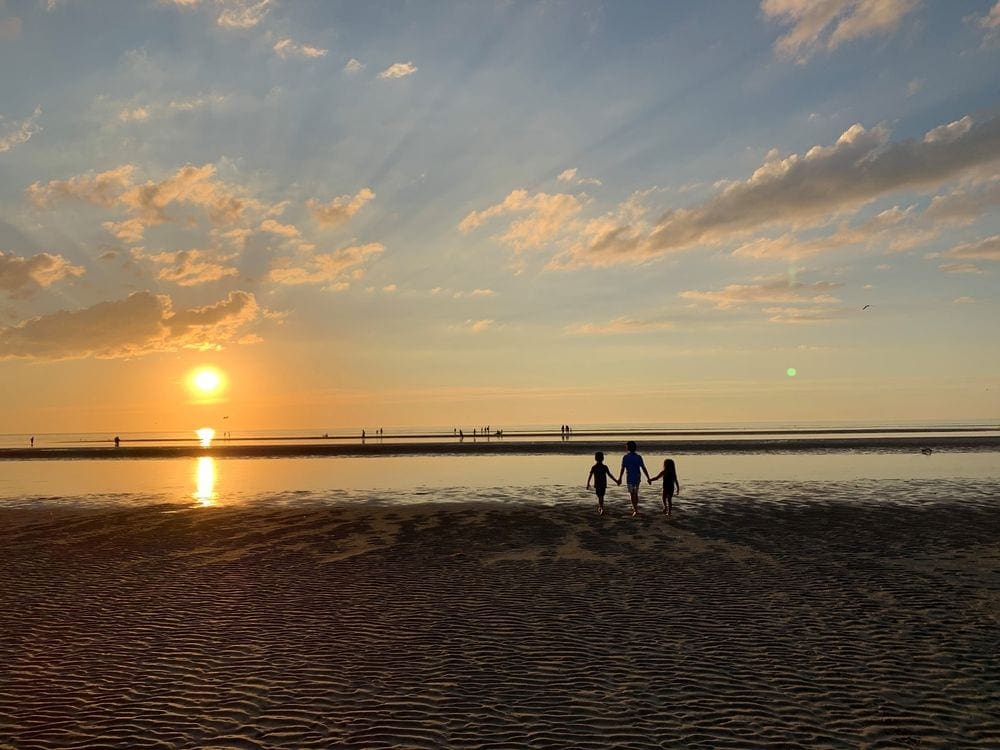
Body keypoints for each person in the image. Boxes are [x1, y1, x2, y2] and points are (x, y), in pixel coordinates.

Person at [617, 440, 650, 517]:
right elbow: (643, 468)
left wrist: (620, 478)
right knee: (635, 493)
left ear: (627, 448)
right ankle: (635, 508)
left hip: (630, 478)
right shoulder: (638, 457)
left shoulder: (625, 457)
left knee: (632, 494)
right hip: (637, 477)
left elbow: (622, 469)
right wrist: (648, 477)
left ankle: (635, 509)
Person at [586, 451, 620, 515]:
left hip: (597, 484)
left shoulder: (594, 467)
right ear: (603, 458)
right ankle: (601, 507)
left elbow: (590, 475)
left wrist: (588, 483)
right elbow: (610, 475)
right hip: (603, 484)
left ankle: (601, 508)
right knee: (601, 496)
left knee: (599, 496)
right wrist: (616, 481)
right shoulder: (604, 467)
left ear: (595, 459)